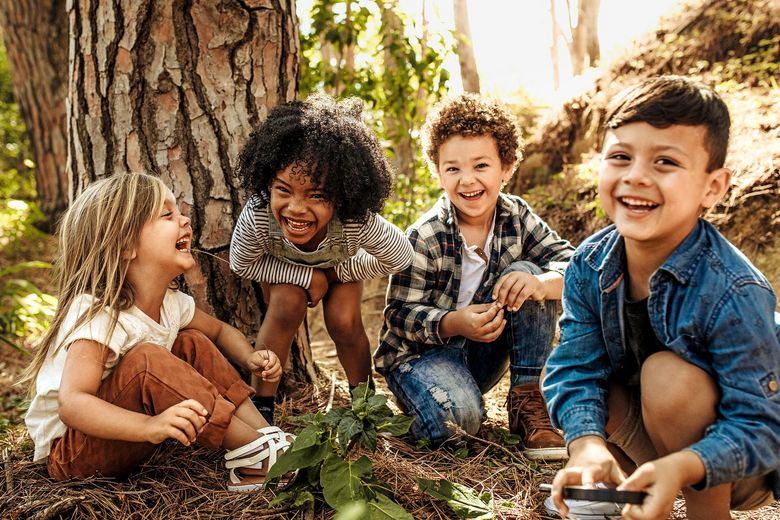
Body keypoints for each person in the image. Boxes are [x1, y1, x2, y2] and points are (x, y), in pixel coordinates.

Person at [543, 75, 780, 520]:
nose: (636, 176)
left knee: (667, 377)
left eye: (665, 162)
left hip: (738, 458)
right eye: (620, 157)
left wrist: (683, 466)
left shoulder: (733, 289)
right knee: (592, 383)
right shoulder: (590, 263)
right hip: (652, 435)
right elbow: (575, 367)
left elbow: (761, 426)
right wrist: (586, 444)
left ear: (712, 187)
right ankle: (624, 499)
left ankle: (706, 515)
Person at [22, 173, 295, 491]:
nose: (185, 220)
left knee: (192, 342)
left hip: (124, 434)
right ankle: (258, 456)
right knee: (147, 360)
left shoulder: (171, 303)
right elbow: (73, 403)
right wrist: (149, 426)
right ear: (126, 245)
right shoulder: (99, 314)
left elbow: (219, 331)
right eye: (167, 214)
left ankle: (264, 436)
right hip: (74, 452)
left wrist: (249, 357)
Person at [375, 93, 575, 459]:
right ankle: (429, 407)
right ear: (438, 172)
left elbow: (575, 266)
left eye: (481, 165)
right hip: (421, 359)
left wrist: (541, 283)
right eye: (453, 169)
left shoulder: (516, 216)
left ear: (507, 167)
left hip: (483, 354)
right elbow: (398, 315)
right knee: (459, 422)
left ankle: (527, 399)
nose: (467, 180)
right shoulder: (426, 235)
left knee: (527, 274)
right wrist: (454, 323)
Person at [230, 94, 414, 423]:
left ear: (342, 195)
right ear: (268, 183)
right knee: (286, 303)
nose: (296, 208)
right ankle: (262, 410)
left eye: (316, 195)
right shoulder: (259, 214)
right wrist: (306, 276)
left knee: (344, 321)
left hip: (340, 267)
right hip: (284, 271)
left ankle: (365, 404)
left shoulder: (355, 221)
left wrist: (338, 272)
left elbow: (399, 256)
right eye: (283, 189)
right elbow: (241, 263)